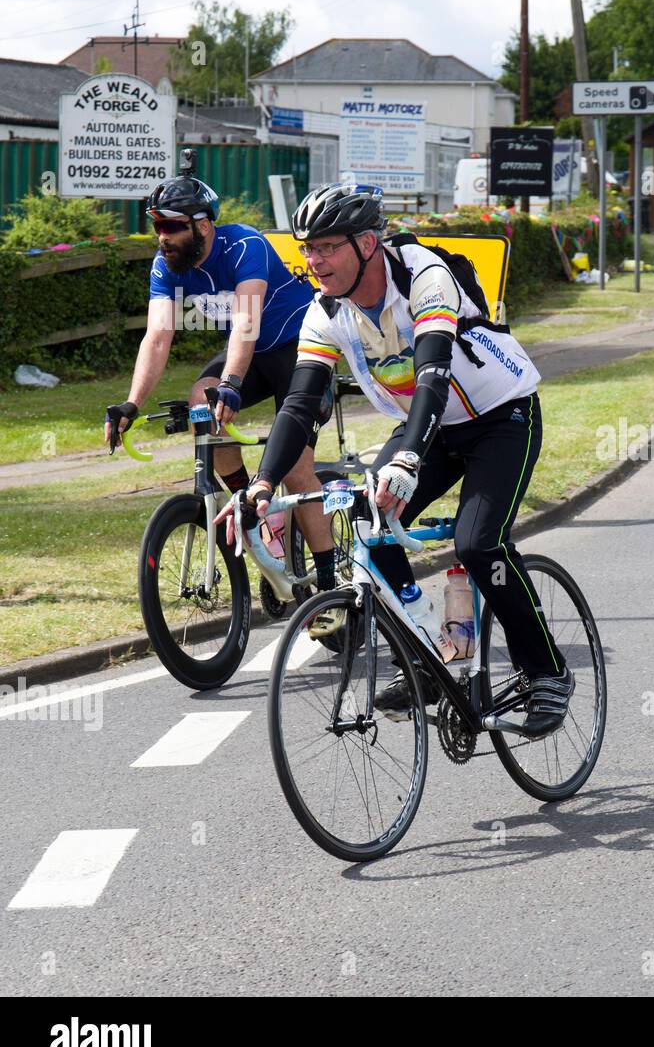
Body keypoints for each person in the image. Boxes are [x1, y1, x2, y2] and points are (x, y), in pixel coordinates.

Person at [232, 182, 573, 736]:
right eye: (307, 249)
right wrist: (263, 483)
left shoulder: (424, 277)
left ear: (367, 242)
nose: (313, 261)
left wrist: (406, 460)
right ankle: (424, 653)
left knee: (478, 543)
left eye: (326, 247)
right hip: (427, 428)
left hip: (500, 416)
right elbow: (298, 405)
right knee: (369, 521)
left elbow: (434, 375)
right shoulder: (324, 312)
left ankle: (548, 672)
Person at [104, 171, 332, 564]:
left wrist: (231, 381)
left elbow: (246, 322)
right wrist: (132, 403)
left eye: (172, 225)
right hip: (251, 354)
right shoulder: (167, 265)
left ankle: (328, 584)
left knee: (295, 469)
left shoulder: (244, 244)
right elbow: (158, 336)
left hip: (301, 348)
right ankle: (253, 508)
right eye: (158, 225)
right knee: (201, 404)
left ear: (203, 225)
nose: (163, 236)